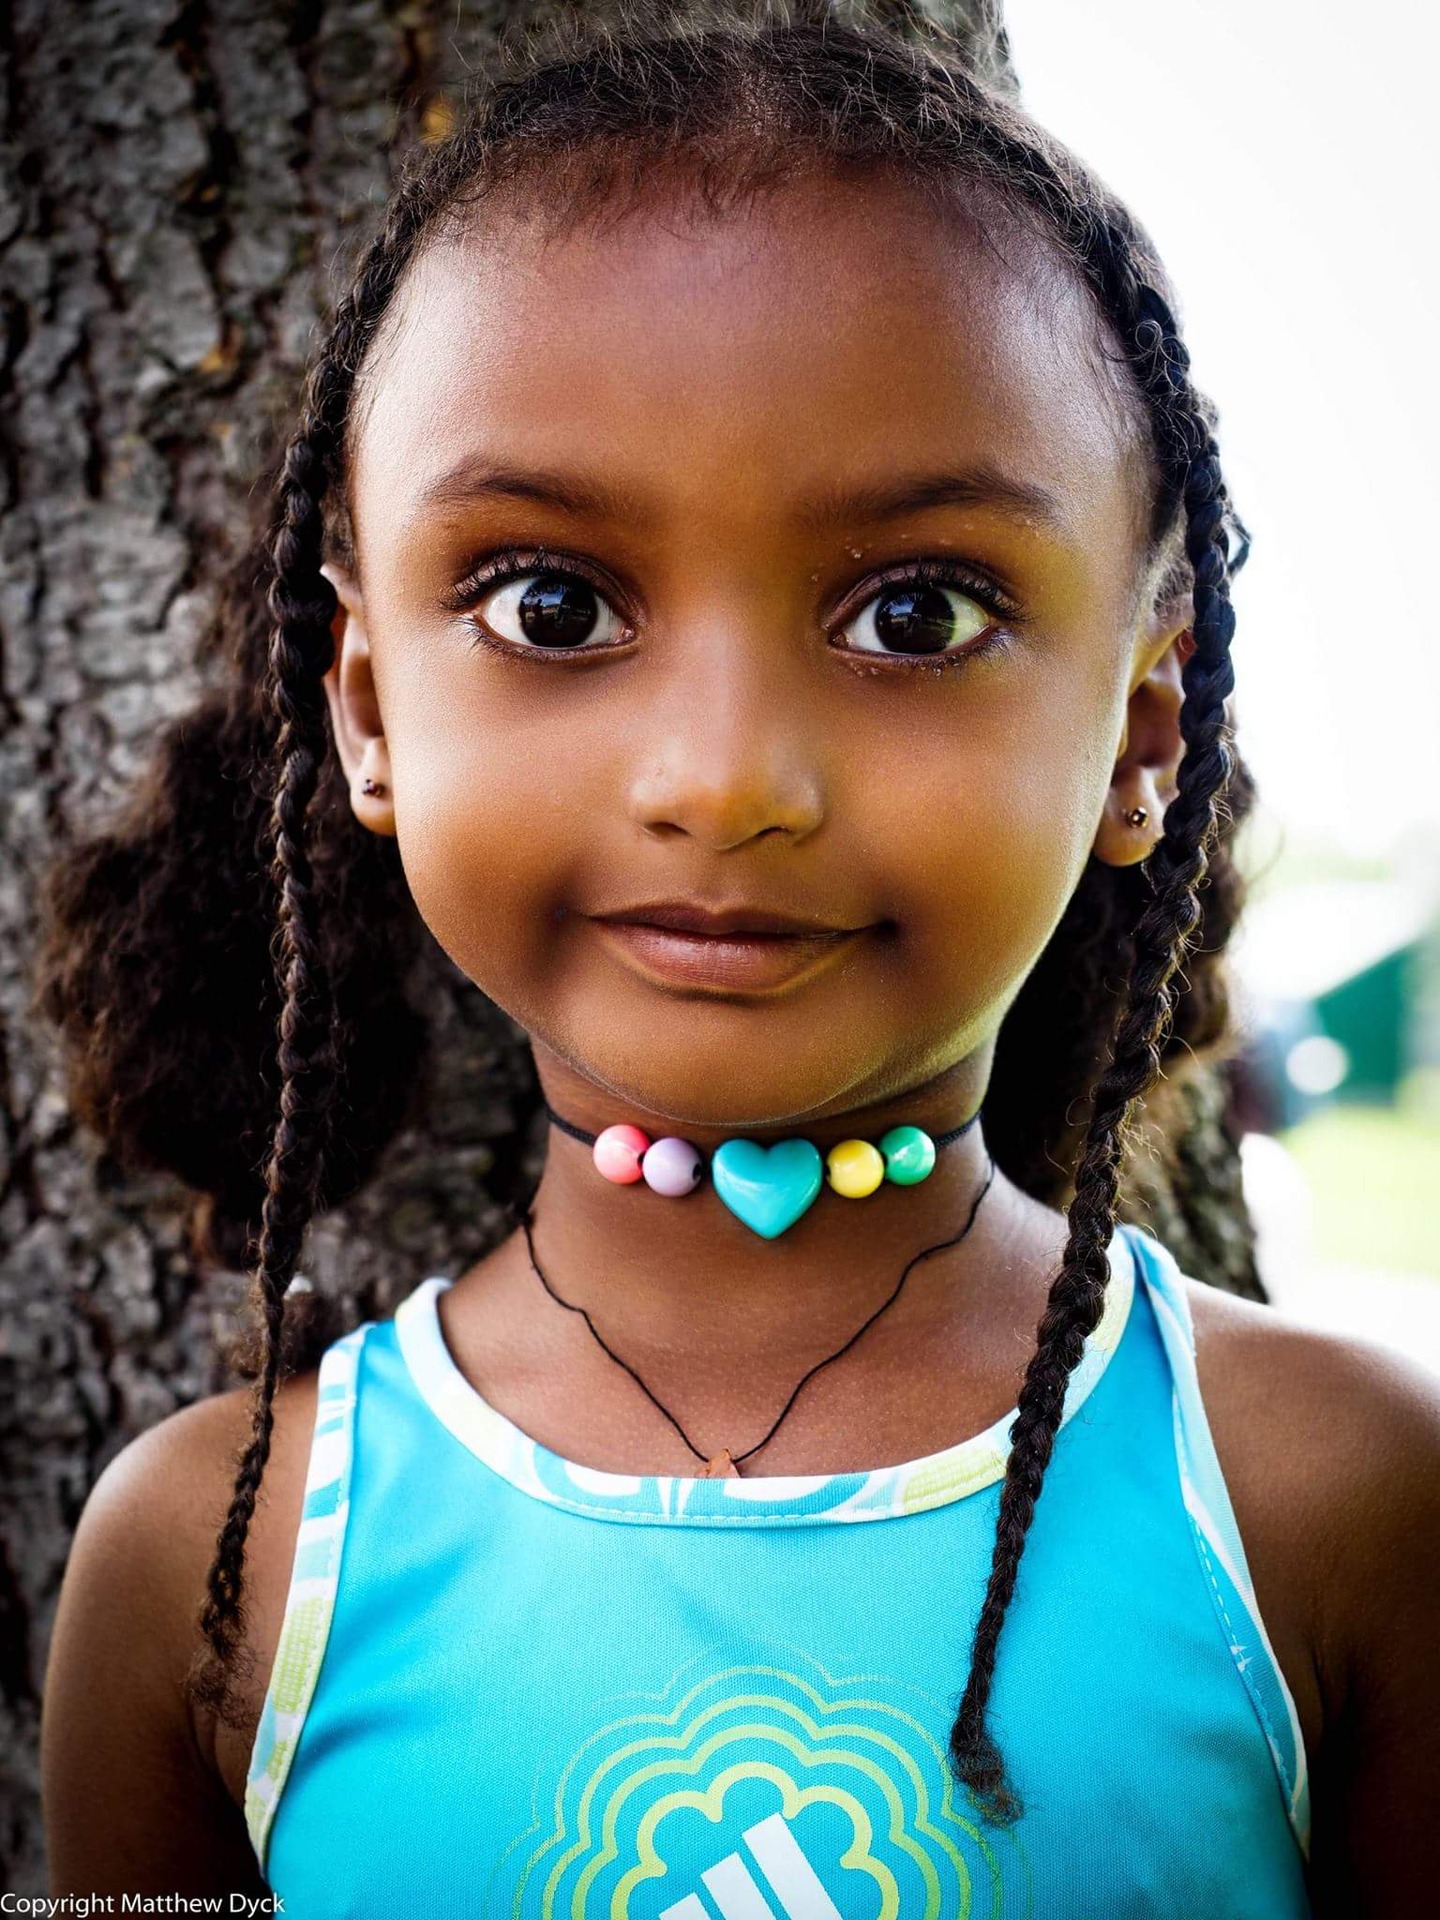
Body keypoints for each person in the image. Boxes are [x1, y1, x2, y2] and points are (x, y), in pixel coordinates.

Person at [35, 5, 1440, 1913]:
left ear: (1141, 739)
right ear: (367, 712)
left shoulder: (1331, 1502)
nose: (726, 780)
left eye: (917, 612)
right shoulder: (225, 1559)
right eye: (553, 603)